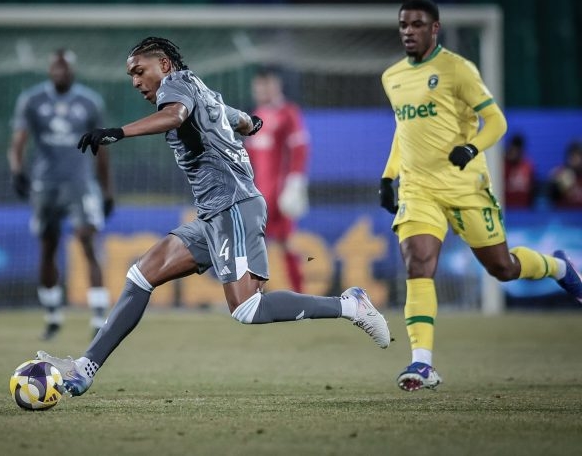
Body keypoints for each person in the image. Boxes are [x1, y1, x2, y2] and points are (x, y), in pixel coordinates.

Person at [35, 37, 391, 397]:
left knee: (248, 308)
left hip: (233, 205)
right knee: (140, 276)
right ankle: (86, 367)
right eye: (131, 76)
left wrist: (119, 132)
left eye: (140, 71)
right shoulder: (198, 87)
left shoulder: (173, 88)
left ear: (165, 65)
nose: (136, 81)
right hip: (212, 213)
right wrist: (249, 123)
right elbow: (235, 117)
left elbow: (176, 116)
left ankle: (351, 305)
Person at [378, 0, 582, 392]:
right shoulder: (393, 76)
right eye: (403, 24)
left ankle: (559, 268)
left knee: (503, 268)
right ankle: (422, 363)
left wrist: (471, 148)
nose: (408, 31)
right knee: (418, 263)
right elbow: (404, 130)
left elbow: (496, 121)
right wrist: (389, 176)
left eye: (417, 24)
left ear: (434, 28)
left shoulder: (457, 69)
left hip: (465, 187)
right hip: (419, 189)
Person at [8, 49, 114, 340]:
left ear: (73, 70)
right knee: (48, 246)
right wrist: (17, 171)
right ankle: (53, 316)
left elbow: (102, 149)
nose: (60, 73)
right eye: (56, 68)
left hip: (80, 183)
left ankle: (99, 318)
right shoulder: (32, 100)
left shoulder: (90, 102)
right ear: (49, 70)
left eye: (65, 68)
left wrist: (107, 190)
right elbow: (18, 141)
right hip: (45, 184)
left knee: (87, 240)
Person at [245, 67, 310, 292]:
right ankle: (253, 296)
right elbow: (250, 158)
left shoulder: (288, 113)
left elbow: (300, 148)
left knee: (275, 243)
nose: (261, 91)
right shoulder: (256, 116)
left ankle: (298, 294)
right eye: (258, 87)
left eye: (266, 85)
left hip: (279, 194)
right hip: (258, 193)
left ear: (276, 86)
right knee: (258, 244)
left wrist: (295, 182)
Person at [503, 134, 536, 208]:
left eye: (517, 150)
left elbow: (532, 189)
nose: (515, 153)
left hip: (524, 208)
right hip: (507, 207)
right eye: (513, 150)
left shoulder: (528, 166)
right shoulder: (503, 166)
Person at [548, 141, 582, 208]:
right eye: (572, 156)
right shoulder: (560, 174)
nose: (574, 159)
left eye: (577, 156)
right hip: (564, 212)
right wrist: (555, 184)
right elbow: (551, 198)